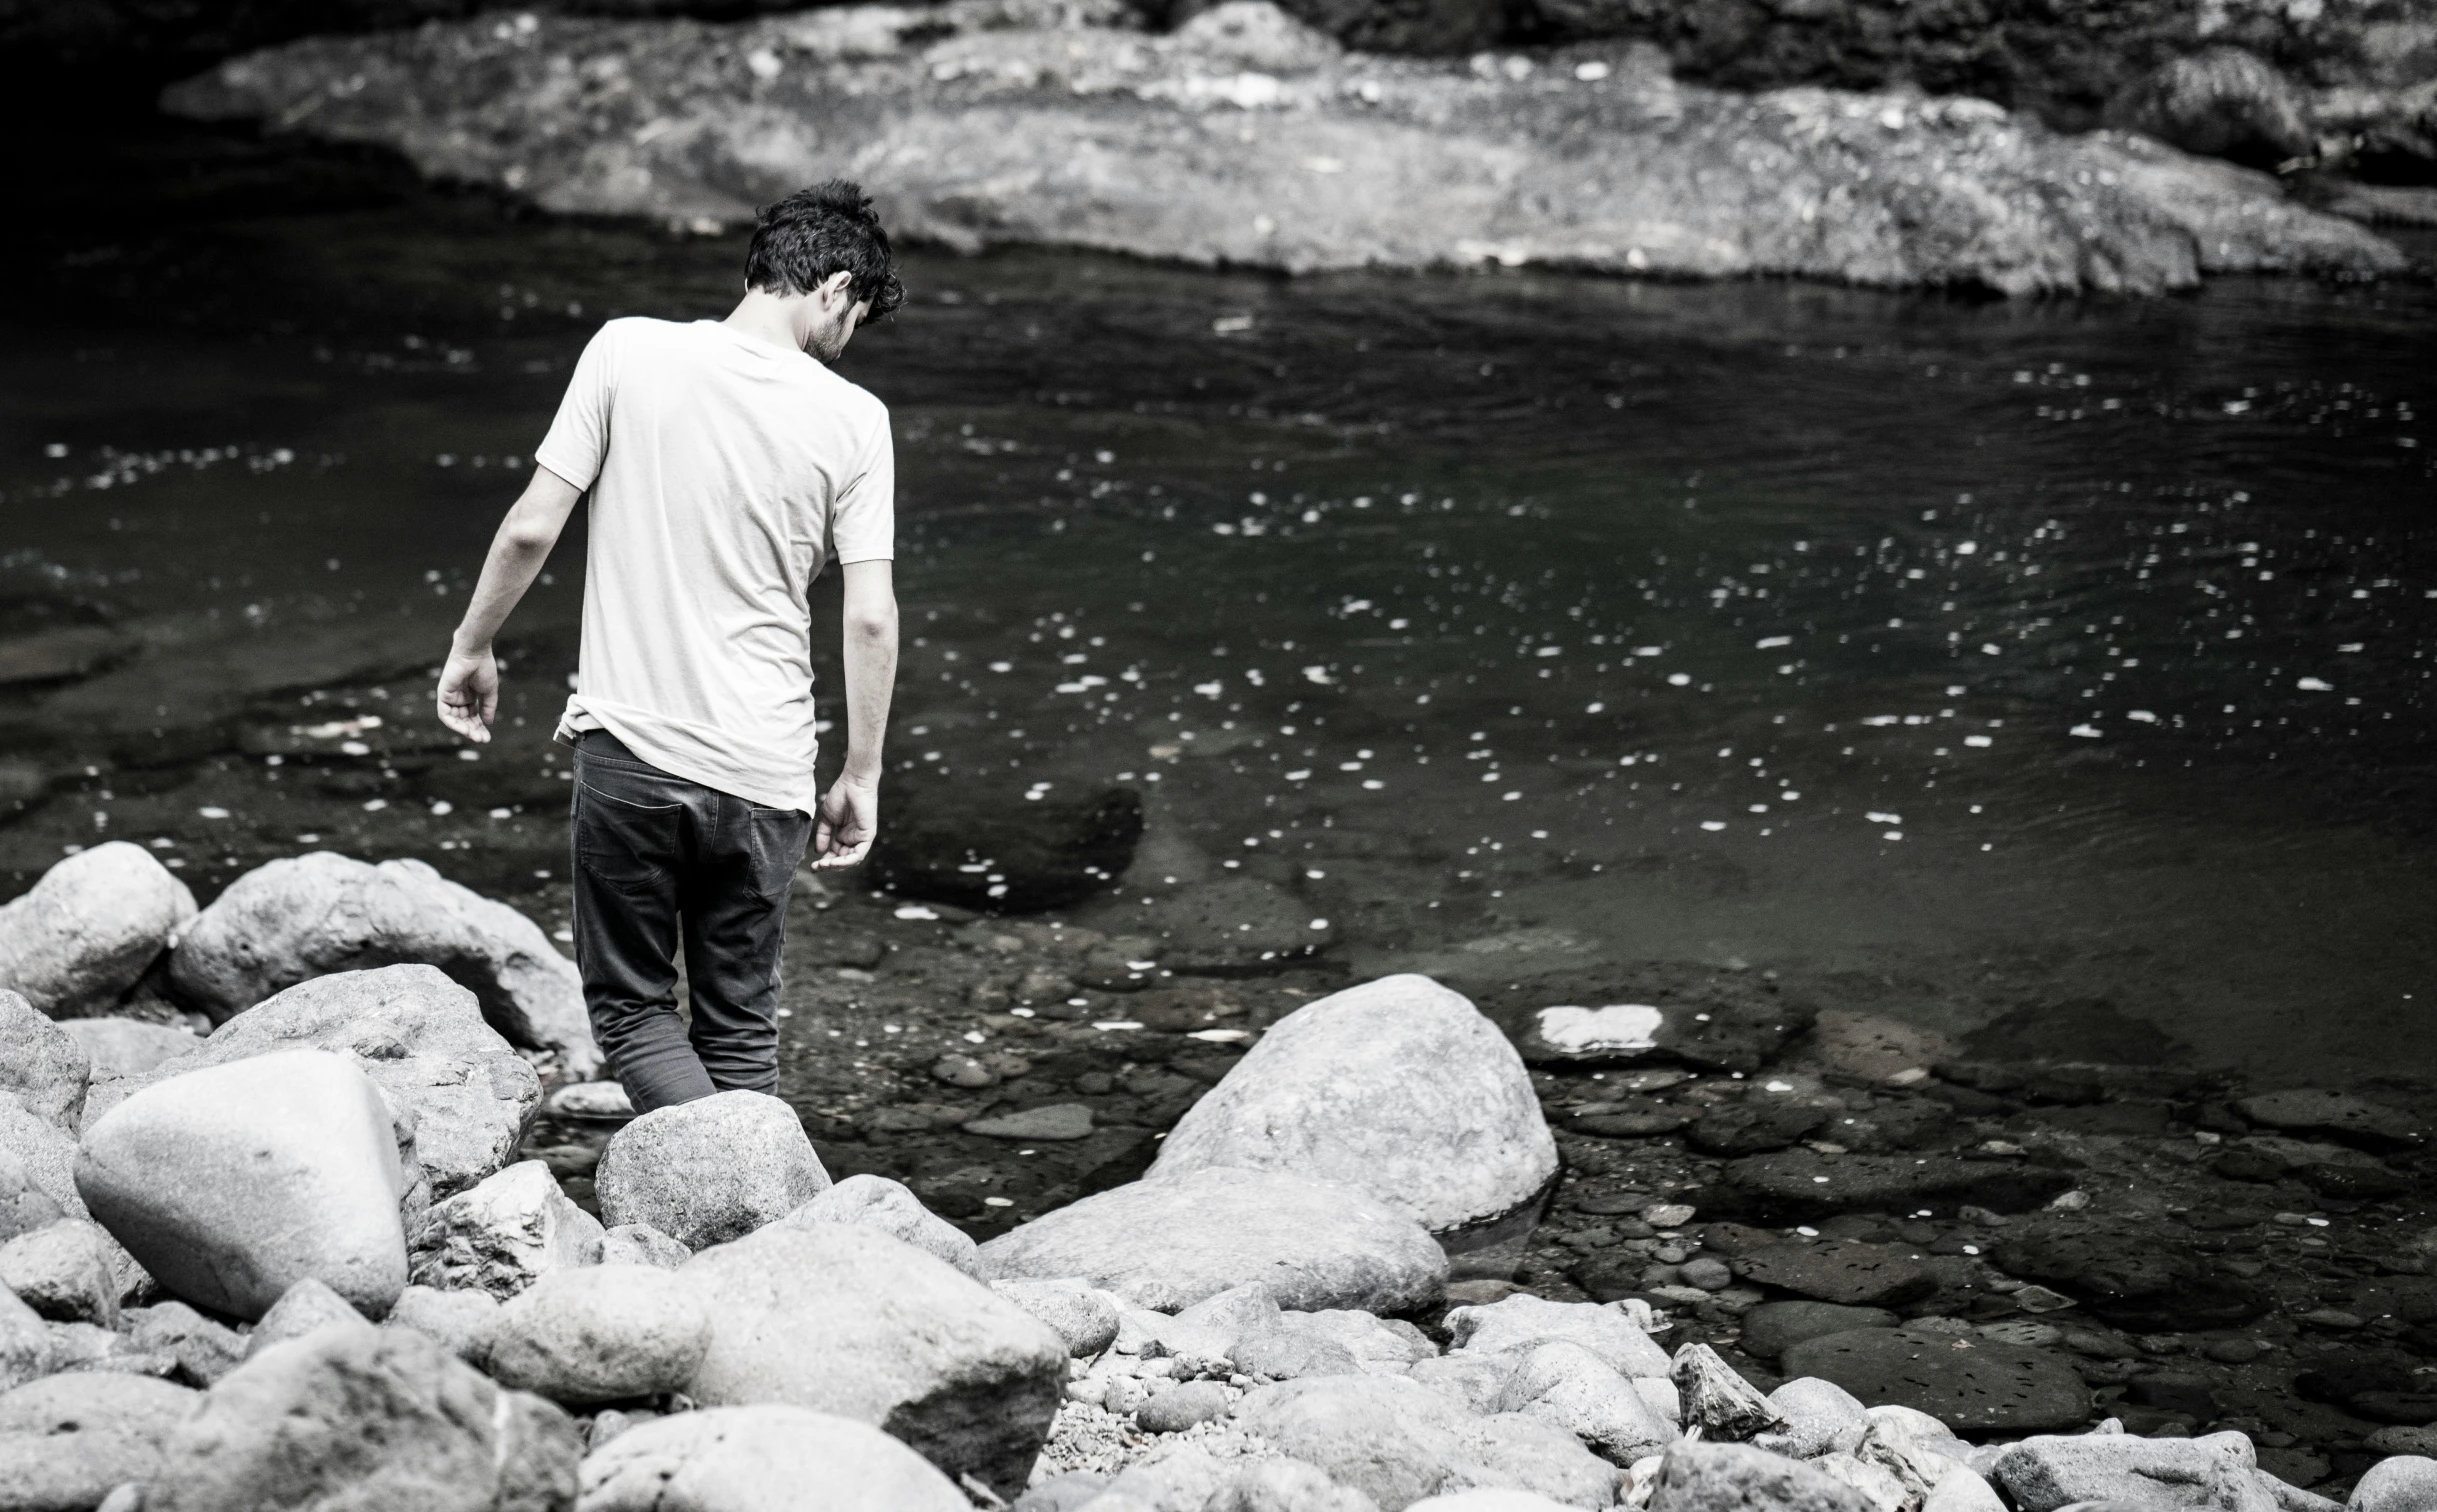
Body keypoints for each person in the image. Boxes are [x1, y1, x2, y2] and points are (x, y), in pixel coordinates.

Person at [433, 180, 904, 1113]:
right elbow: (870, 616)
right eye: (855, 319)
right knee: (737, 1026)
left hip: (634, 756)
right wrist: (861, 774)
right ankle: (760, 1222)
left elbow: (532, 527)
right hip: (766, 769)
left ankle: (728, 1207)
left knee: (632, 1012)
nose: (848, 343)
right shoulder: (856, 421)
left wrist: (470, 647)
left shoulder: (627, 349)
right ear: (833, 286)